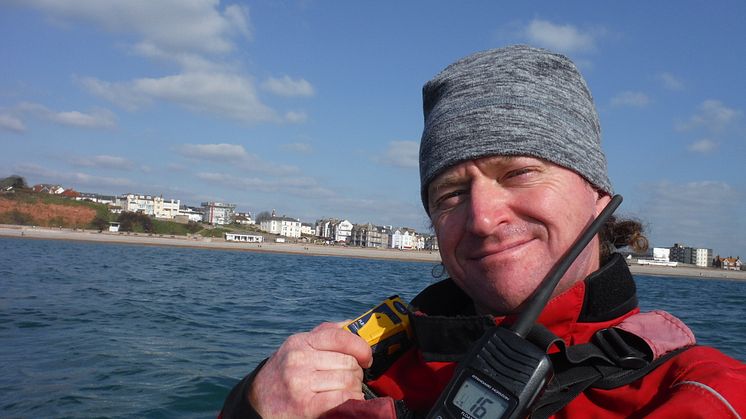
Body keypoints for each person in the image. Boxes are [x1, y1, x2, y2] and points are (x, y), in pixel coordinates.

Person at [220, 45, 746, 418]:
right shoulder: (369, 363)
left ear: (599, 197)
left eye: (517, 173)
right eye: (450, 193)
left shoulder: (699, 390)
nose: (481, 218)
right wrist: (252, 405)